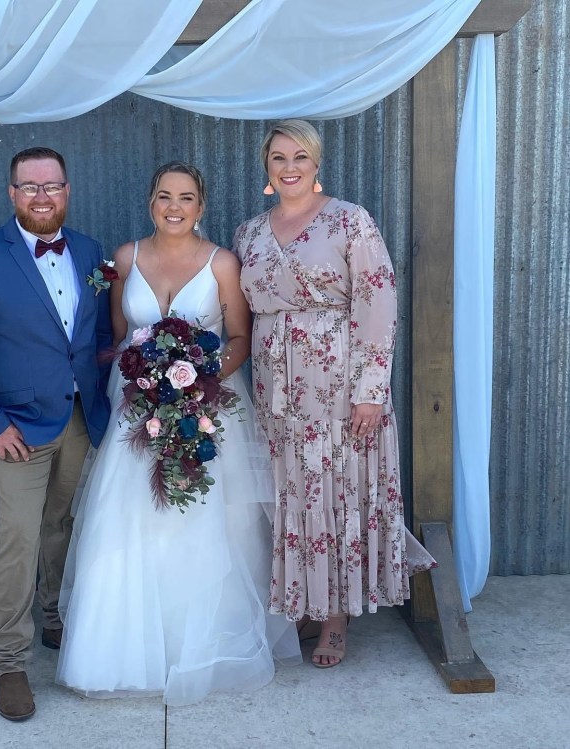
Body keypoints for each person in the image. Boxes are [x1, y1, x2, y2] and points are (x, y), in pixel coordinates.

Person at [56, 161, 300, 705]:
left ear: (200, 206)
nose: (174, 207)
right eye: (165, 196)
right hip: (136, 409)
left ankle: (203, 645)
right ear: (151, 202)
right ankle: (124, 651)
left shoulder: (222, 263)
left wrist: (199, 377)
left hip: (206, 406)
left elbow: (240, 336)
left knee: (206, 520)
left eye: (186, 197)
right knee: (130, 518)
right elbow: (120, 337)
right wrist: (148, 378)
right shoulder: (125, 258)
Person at [234, 120, 436, 668]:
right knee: (291, 496)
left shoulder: (350, 221)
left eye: (300, 156)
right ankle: (306, 601)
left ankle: (337, 618)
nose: (290, 166)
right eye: (279, 157)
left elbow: (379, 305)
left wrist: (371, 390)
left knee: (336, 494)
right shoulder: (248, 233)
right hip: (277, 392)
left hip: (340, 389)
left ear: (316, 163)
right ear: (266, 166)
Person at [0, 147, 112, 720]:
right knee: (17, 539)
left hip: (80, 418)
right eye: (29, 187)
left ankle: (54, 615)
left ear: (67, 191)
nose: (41, 196)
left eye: (51, 186)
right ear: (12, 194)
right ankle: (9, 661)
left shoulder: (89, 251)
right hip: (17, 429)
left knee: (62, 523)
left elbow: (95, 337)